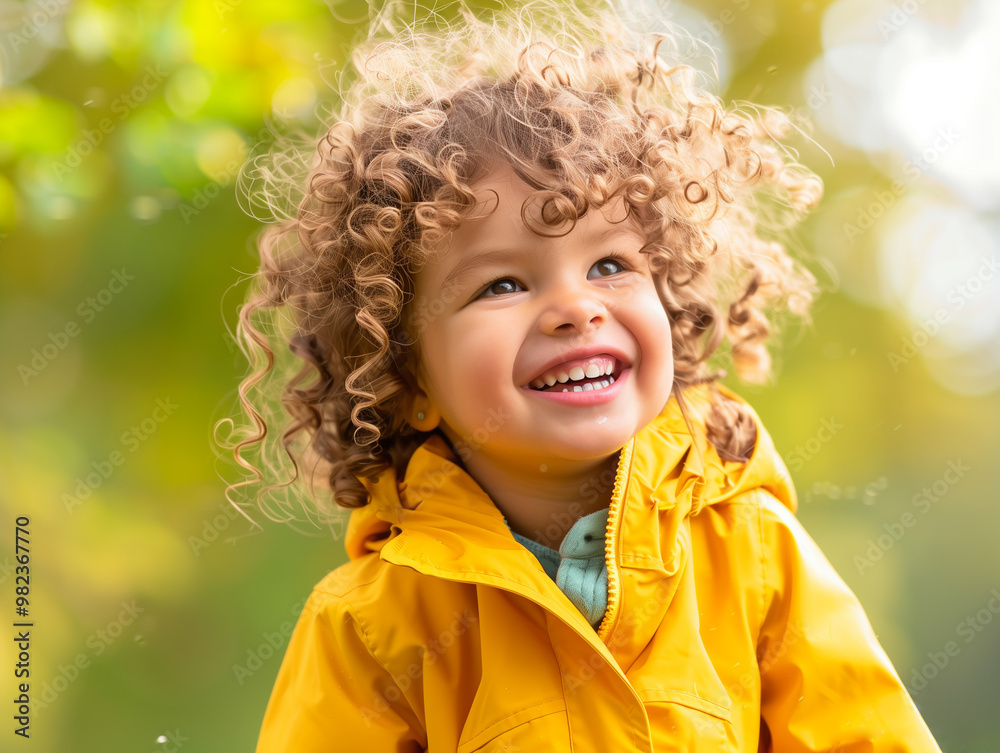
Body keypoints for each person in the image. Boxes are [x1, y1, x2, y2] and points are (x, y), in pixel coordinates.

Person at [231, 1, 945, 749]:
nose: (575, 307)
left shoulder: (752, 557)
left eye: (610, 265)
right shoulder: (375, 627)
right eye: (502, 284)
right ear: (405, 382)